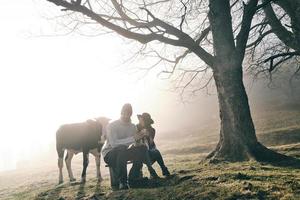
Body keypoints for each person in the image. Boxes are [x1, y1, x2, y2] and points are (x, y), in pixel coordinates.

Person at [101, 104, 158, 190]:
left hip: (123, 153)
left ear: (131, 114)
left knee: (141, 148)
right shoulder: (112, 125)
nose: (126, 115)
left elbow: (136, 143)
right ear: (121, 112)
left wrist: (142, 137)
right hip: (109, 154)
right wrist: (134, 138)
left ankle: (133, 178)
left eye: (128, 113)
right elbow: (114, 144)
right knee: (121, 148)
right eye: (124, 113)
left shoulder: (132, 127)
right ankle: (123, 182)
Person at [137, 113, 170, 177]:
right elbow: (135, 139)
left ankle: (164, 169)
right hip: (139, 151)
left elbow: (151, 143)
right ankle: (152, 171)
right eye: (140, 120)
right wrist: (140, 134)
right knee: (144, 151)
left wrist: (148, 135)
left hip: (150, 151)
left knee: (156, 152)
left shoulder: (152, 130)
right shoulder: (136, 127)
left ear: (146, 122)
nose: (140, 121)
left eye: (142, 120)